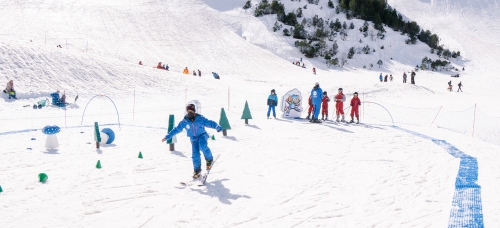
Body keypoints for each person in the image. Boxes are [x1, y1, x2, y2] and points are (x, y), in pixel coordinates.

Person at [162, 104, 223, 178]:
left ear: (194, 111)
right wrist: (167, 137)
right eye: (188, 111)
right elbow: (177, 129)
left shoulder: (200, 119)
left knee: (203, 145)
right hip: (193, 138)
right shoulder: (185, 121)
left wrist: (217, 126)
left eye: (191, 111)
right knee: (195, 154)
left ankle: (209, 159)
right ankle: (197, 170)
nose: (190, 113)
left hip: (202, 135)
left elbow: (210, 123)